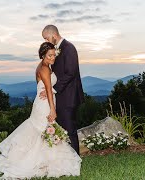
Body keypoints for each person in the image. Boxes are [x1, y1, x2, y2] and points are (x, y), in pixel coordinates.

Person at [0, 42, 81, 179]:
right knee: (43, 130)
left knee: (43, 132)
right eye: (49, 55)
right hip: (45, 105)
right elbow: (49, 91)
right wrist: (52, 109)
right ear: (43, 55)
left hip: (44, 102)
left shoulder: (46, 66)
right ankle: (33, 163)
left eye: (53, 55)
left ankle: (44, 163)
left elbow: (46, 88)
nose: (53, 58)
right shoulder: (44, 69)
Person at [40, 25, 85, 155]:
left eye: (46, 38)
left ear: (53, 35)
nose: (46, 41)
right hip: (61, 96)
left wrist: (53, 89)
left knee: (70, 130)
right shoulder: (57, 49)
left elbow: (70, 73)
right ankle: (65, 158)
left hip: (69, 97)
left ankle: (75, 159)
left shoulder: (69, 48)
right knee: (62, 129)